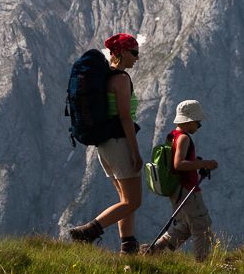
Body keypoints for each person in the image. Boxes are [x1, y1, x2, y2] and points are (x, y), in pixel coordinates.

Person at [68, 33, 144, 255]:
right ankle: (88, 231)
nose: (137, 58)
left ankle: (128, 248)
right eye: (134, 53)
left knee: (125, 201)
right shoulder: (121, 80)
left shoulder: (105, 78)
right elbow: (125, 117)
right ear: (120, 53)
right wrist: (135, 151)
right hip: (120, 143)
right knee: (133, 201)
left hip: (105, 146)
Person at [144, 100, 219, 261]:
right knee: (201, 225)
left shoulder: (173, 136)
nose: (199, 126)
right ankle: (202, 262)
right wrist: (206, 163)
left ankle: (155, 249)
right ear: (189, 120)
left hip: (177, 190)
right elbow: (179, 164)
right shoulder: (184, 138)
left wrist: (195, 162)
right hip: (187, 189)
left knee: (185, 226)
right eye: (197, 122)